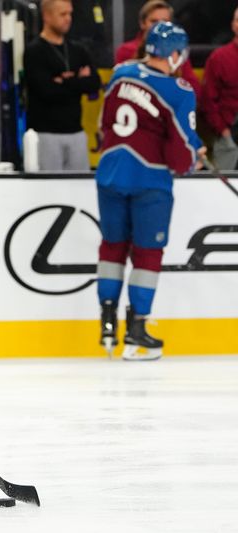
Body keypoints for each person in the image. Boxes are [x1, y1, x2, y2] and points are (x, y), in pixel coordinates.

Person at [95, 22, 203, 362]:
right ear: (174, 54)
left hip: (110, 174)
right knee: (146, 253)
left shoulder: (120, 73)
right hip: (150, 181)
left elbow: (103, 124)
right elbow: (183, 151)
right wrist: (194, 157)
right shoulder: (180, 90)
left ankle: (108, 322)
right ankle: (137, 328)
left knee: (112, 246)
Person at [23, 0, 101, 171]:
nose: (68, 18)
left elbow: (94, 84)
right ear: (47, 16)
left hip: (76, 132)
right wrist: (78, 80)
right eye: (62, 14)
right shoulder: (35, 51)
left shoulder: (78, 50)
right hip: (46, 133)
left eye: (70, 13)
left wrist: (65, 80)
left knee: (80, 190)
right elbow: (46, 91)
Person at [114, 0, 201, 101]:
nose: (159, 26)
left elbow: (193, 89)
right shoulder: (126, 51)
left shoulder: (176, 51)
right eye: (154, 21)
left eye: (164, 21)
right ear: (142, 23)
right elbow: (122, 88)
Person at [201, 7, 238, 171]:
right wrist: (222, 130)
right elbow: (208, 99)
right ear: (233, 25)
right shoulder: (219, 58)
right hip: (228, 134)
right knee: (225, 188)